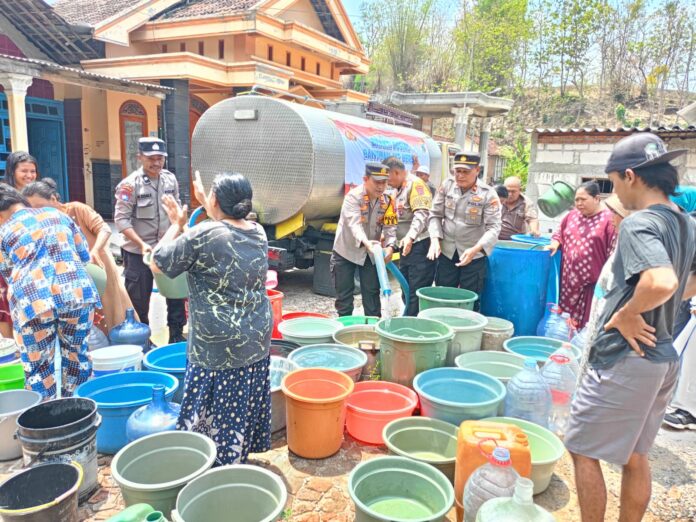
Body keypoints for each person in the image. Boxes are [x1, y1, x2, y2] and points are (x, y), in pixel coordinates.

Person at [565, 133, 696, 522]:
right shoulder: (685, 222)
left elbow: (661, 282)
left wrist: (627, 314)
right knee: (636, 455)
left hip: (626, 358)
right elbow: (684, 282)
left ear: (631, 176)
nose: (616, 193)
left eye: (615, 183)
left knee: (582, 449)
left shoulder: (641, 223)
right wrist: (666, 305)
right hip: (663, 357)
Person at [150, 171, 272, 465]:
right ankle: (236, 456)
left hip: (217, 345)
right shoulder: (257, 231)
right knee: (239, 403)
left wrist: (176, 224)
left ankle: (211, 465)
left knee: (209, 410)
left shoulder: (202, 234)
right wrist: (209, 201)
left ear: (215, 201)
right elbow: (225, 230)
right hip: (255, 336)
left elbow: (157, 262)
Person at [0, 184, 98, 399]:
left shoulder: (4, 231)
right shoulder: (58, 215)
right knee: (77, 360)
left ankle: (46, 423)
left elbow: (7, 272)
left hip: (33, 302)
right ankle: (78, 417)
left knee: (38, 369)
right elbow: (83, 255)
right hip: (77, 295)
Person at [23, 179, 134, 333]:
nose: (37, 213)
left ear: (54, 199)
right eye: (32, 210)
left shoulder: (76, 209)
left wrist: (95, 250)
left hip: (98, 267)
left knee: (112, 309)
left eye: (40, 207)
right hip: (73, 278)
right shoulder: (40, 224)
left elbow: (104, 229)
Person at [114, 137, 186, 343]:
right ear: (140, 158)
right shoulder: (129, 185)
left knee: (175, 295)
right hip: (139, 253)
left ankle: (176, 334)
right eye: (151, 158)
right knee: (139, 299)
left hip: (167, 249)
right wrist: (141, 244)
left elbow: (176, 211)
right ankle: (143, 339)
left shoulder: (170, 180)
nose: (156, 163)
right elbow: (121, 220)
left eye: (160, 159)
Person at [427, 152, 501, 311]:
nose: (460, 176)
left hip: (473, 255)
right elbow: (434, 215)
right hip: (447, 252)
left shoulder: (487, 194)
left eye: (465, 172)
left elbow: (494, 228)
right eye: (457, 171)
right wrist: (434, 239)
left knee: (470, 299)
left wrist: (476, 249)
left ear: (477, 170)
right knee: (443, 297)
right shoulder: (447, 186)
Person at [547, 182, 617, 328]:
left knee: (585, 328)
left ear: (597, 198)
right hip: (567, 284)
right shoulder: (571, 216)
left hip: (591, 288)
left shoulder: (609, 220)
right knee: (562, 326)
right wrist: (555, 243)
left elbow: (614, 254)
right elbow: (559, 233)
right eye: (576, 200)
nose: (579, 203)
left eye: (583, 199)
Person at [332, 162, 397, 317]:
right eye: (377, 182)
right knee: (344, 299)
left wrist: (390, 246)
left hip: (371, 254)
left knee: (372, 296)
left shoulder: (388, 200)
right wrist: (367, 243)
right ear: (365, 179)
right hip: (346, 251)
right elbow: (354, 224)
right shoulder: (353, 197)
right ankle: (345, 333)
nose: (381, 187)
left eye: (384, 182)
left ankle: (372, 332)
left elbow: (391, 227)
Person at [384, 157, 435, 316]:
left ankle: (413, 323)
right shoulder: (394, 191)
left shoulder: (416, 185)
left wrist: (410, 237)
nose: (386, 182)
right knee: (405, 287)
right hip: (405, 247)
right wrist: (388, 242)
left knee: (415, 290)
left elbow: (421, 214)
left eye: (388, 178)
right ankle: (408, 316)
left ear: (397, 172)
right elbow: (391, 220)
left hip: (419, 245)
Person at [0, 151, 40, 339]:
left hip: (30, 256)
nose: (29, 175)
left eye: (33, 171)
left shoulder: (37, 193)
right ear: (12, 171)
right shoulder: (5, 195)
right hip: (6, 256)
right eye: (24, 171)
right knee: (6, 301)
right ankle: (10, 344)